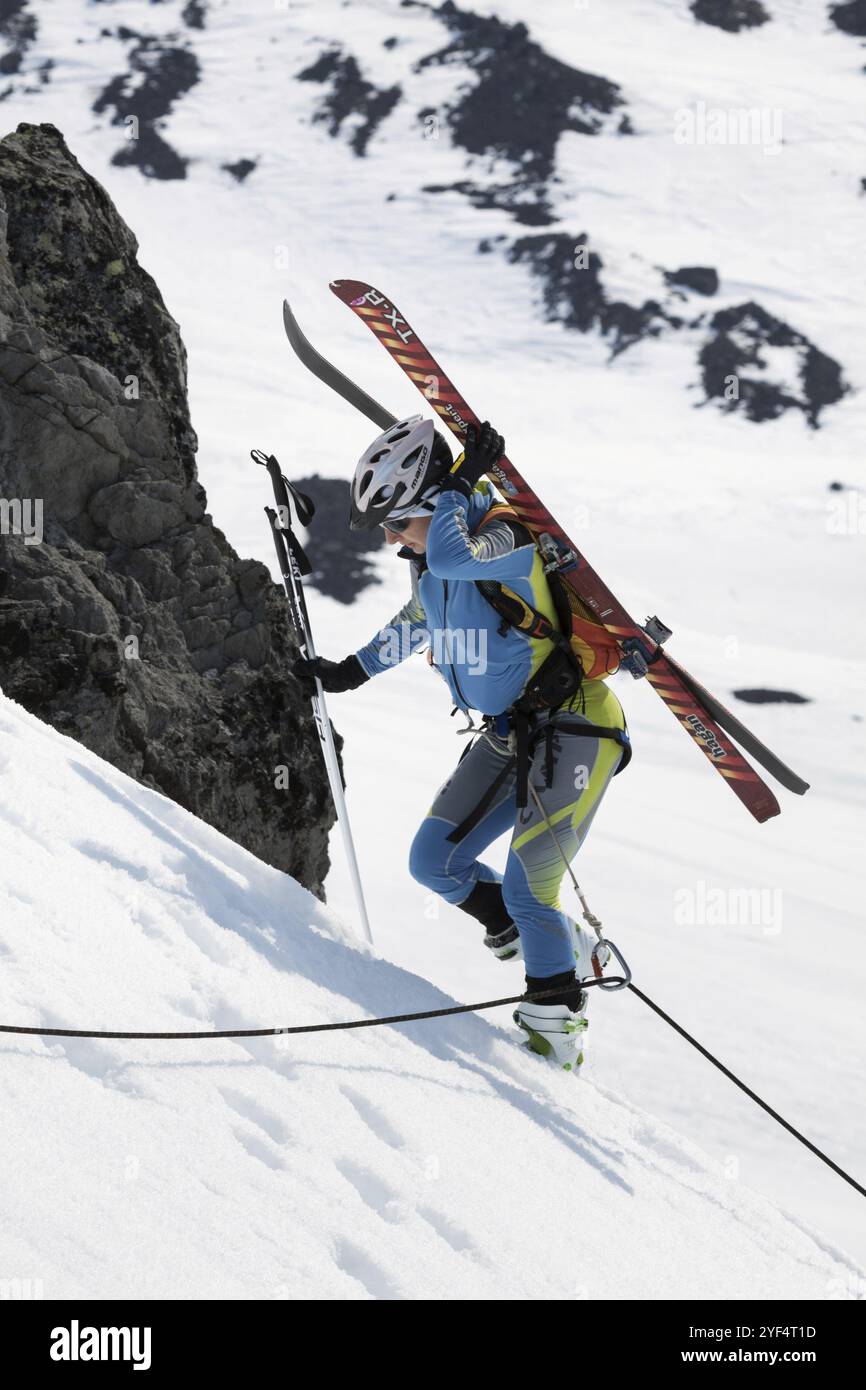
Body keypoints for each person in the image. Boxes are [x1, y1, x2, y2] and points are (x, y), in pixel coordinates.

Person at [292, 415, 630, 1072]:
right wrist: (351, 672)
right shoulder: (431, 561)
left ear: (433, 502)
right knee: (433, 861)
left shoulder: (503, 533)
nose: (392, 541)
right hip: (512, 733)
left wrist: (460, 483)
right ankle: (559, 941)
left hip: (577, 725)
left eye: (397, 522)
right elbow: (418, 619)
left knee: (533, 888)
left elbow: (454, 554)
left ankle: (555, 1032)